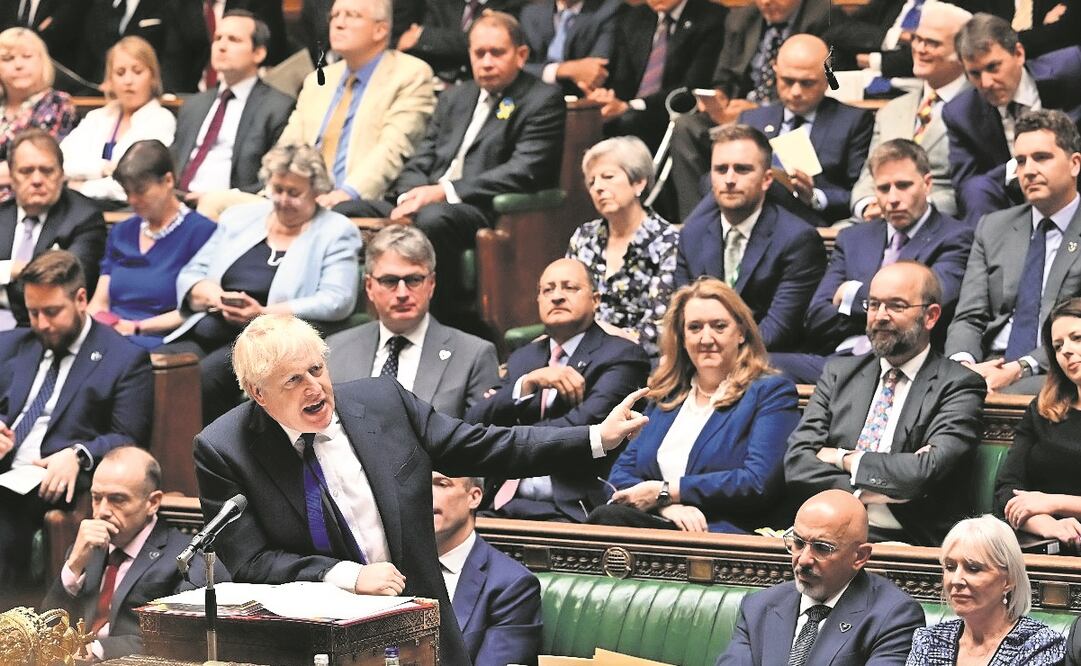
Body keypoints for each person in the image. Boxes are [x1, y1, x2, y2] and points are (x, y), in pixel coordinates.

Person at [192, 313, 649, 664]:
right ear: (258, 392)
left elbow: (485, 446)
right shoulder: (224, 449)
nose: (316, 388)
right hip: (313, 644)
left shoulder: (382, 402)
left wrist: (595, 437)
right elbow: (251, 560)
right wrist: (346, 576)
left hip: (421, 632)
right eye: (294, 380)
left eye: (317, 369)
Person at [337, 11, 565, 325]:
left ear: (521, 55)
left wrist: (443, 192)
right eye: (479, 53)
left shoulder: (542, 99)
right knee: (342, 211)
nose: (486, 61)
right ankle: (353, 318)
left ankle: (442, 321)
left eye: (496, 53)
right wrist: (408, 197)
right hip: (426, 198)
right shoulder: (456, 96)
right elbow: (423, 157)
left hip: (477, 208)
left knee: (434, 217)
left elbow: (525, 169)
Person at [785, 262, 986, 546]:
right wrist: (859, 495)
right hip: (828, 535)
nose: (880, 316)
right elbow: (797, 462)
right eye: (874, 305)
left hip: (911, 541)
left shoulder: (958, 384)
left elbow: (923, 472)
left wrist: (845, 459)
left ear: (930, 316)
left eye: (896, 306)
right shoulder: (840, 374)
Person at [164, 144, 361, 424]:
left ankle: (202, 462)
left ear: (317, 191)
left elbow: (337, 299)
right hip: (209, 327)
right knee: (151, 367)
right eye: (277, 189)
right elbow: (192, 272)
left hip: (267, 343)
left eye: (294, 193)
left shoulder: (336, 231)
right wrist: (213, 295)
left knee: (203, 378)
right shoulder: (239, 218)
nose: (282, 200)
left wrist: (264, 313)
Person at [589, 278, 798, 533]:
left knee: (606, 520)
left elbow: (757, 482)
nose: (706, 338)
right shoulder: (668, 396)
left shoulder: (770, 392)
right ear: (682, 337)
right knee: (606, 519)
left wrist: (666, 491)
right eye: (695, 327)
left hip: (721, 533)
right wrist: (665, 505)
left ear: (741, 332)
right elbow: (620, 474)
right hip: (660, 521)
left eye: (719, 326)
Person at [0, 250, 152, 591]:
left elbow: (130, 436)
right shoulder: (12, 344)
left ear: (81, 298)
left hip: (52, 483)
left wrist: (79, 454)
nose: (41, 324)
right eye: (33, 312)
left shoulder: (124, 358)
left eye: (52, 312)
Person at [774, 139, 972, 384]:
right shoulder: (853, 238)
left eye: (903, 185)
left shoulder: (955, 237)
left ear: (927, 184)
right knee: (757, 365)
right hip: (841, 360)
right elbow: (816, 318)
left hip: (908, 365)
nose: (893, 199)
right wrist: (888, 311)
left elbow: (928, 304)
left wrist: (850, 295)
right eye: (883, 188)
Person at [466, 258, 650, 522]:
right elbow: (475, 422)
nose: (557, 297)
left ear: (595, 299)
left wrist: (506, 440)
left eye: (570, 288)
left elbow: (586, 428)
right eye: (548, 290)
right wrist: (526, 383)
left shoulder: (623, 356)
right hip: (499, 502)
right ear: (538, 300)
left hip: (571, 506)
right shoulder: (524, 359)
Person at [41, 447, 228, 661]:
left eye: (117, 499)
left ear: (152, 502)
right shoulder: (85, 549)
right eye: (96, 498)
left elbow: (183, 639)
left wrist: (99, 650)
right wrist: (73, 566)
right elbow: (47, 627)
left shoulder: (187, 558)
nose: (102, 511)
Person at [946, 109, 1081, 394]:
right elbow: (969, 317)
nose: (1029, 170)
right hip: (988, 366)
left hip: (1057, 366)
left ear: (1075, 164)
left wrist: (1022, 366)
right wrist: (965, 365)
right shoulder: (993, 228)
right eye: (1020, 161)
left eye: (1041, 158)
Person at [716, 489, 925, 665]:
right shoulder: (759, 607)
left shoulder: (894, 617)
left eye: (822, 548)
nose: (804, 559)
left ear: (859, 556)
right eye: (798, 543)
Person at [668, 0, 830, 220]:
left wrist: (758, 109)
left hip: (781, 111)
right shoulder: (741, 18)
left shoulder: (822, 16)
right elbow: (724, 75)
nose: (766, 2)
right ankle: (697, 219)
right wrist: (721, 99)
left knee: (769, 127)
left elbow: (808, 81)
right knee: (685, 127)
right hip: (735, 112)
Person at [674, 124, 826, 353]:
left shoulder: (797, 239)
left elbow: (779, 329)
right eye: (721, 169)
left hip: (766, 360)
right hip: (703, 356)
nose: (729, 179)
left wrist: (719, 354)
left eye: (742, 169)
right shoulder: (692, 235)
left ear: (767, 179)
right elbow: (684, 315)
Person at [275, 0, 435, 209]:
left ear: (380, 29)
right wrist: (276, 186)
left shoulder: (410, 74)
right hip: (297, 197)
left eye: (351, 15)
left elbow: (393, 149)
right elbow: (287, 146)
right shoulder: (318, 79)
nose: (338, 23)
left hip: (358, 200)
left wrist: (346, 193)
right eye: (335, 16)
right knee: (227, 208)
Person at [327, 225, 499, 418]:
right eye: (389, 281)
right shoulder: (334, 349)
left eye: (413, 280)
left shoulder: (473, 355)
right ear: (369, 286)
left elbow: (483, 442)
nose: (402, 294)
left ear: (431, 284)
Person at [942, 13, 1081, 223]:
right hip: (1013, 202)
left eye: (993, 67)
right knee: (976, 189)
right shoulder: (961, 113)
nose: (986, 82)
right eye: (975, 74)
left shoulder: (1071, 69)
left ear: (1018, 53)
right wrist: (1019, 166)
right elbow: (966, 186)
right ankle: (992, 254)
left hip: (1074, 183)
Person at [850, 3, 974, 221]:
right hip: (877, 222)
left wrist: (912, 205)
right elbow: (868, 178)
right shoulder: (892, 110)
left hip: (941, 225)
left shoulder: (978, 108)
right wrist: (868, 205)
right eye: (917, 39)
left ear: (963, 52)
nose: (920, 49)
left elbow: (975, 188)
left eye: (932, 43)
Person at [87, 141, 216, 350]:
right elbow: (99, 302)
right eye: (127, 192)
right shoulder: (122, 232)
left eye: (140, 191)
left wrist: (136, 327)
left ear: (167, 181)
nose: (133, 200)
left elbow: (197, 309)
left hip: (161, 341)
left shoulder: (202, 232)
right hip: (109, 336)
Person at [735, 34, 874, 225]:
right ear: (775, 72)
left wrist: (814, 196)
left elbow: (860, 191)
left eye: (807, 83)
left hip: (810, 220)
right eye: (787, 81)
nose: (796, 92)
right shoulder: (752, 119)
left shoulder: (853, 121)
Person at [566, 136, 679, 358]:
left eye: (608, 177)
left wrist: (606, 339)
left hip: (638, 357)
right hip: (580, 352)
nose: (598, 187)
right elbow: (569, 302)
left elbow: (661, 327)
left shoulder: (666, 240)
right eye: (592, 182)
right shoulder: (584, 237)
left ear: (639, 182)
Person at [170, 10, 294, 206]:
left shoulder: (277, 107)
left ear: (258, 53)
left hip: (233, 210)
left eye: (234, 39)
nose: (221, 46)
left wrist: (219, 199)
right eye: (218, 38)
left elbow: (275, 178)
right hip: (177, 205)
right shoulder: (194, 105)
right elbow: (173, 163)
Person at [906, 515, 1066, 664]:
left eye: (973, 568)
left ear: (1008, 580)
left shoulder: (1038, 645)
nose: (956, 580)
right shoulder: (928, 641)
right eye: (950, 567)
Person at [994, 297, 1081, 549]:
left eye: (1076, 338)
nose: (1065, 350)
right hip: (1043, 541)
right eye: (1057, 345)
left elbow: (1042, 501)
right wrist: (1049, 526)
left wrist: (1056, 503)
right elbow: (1007, 489)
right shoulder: (1043, 408)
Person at [0, 129, 106, 330]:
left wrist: (17, 271)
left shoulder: (83, 218)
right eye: (26, 171)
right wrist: (9, 270)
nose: (37, 180)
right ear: (12, 177)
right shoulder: (2, 214)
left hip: (42, 329)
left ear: (61, 174)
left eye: (47, 170)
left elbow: (69, 283)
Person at [585, 0, 726, 150]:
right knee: (589, 118)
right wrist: (609, 97)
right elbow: (623, 78)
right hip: (630, 109)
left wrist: (630, 106)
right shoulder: (634, 17)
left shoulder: (711, 18)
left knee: (630, 121)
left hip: (673, 110)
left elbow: (693, 84)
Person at [432, 472, 541, 666]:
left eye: (441, 484)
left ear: (474, 497)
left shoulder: (512, 585)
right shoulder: (393, 565)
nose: (425, 494)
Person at [60, 36, 176, 204]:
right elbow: (60, 162)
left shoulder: (161, 120)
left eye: (137, 71)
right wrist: (102, 169)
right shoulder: (96, 117)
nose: (128, 81)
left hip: (127, 208)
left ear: (153, 77)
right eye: (120, 73)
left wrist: (81, 187)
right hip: (79, 203)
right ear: (110, 81)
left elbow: (136, 180)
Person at [0, 27, 75, 200]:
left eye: (27, 57)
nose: (18, 65)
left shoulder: (57, 104)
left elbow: (35, 164)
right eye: (8, 59)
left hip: (27, 201)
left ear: (42, 62)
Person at [79, 0, 209, 93]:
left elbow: (193, 48)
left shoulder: (176, 4)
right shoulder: (99, 6)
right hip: (102, 98)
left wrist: (165, 91)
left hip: (161, 99)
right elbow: (89, 57)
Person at [394, 0, 528, 84]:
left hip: (479, 85)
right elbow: (413, 45)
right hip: (436, 83)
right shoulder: (440, 3)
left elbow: (482, 43)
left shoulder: (510, 5)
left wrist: (423, 34)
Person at [519, 0, 620, 96]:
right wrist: (561, 70)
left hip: (584, 101)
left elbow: (594, 71)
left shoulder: (609, 9)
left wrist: (540, 72)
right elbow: (518, 67)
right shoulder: (530, 13)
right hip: (533, 101)